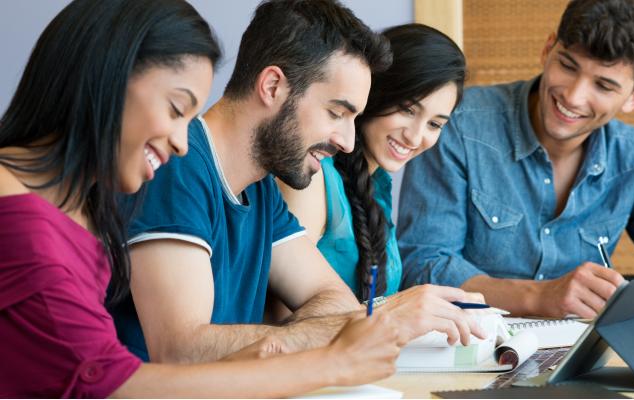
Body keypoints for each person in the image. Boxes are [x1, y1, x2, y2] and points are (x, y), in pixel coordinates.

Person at [0, 0, 401, 397]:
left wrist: (291, 346)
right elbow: (121, 381)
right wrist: (331, 358)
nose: (179, 141)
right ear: (107, 80)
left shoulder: (79, 213)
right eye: (176, 109)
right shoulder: (24, 222)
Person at [111, 0, 483, 365]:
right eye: (336, 113)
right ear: (272, 86)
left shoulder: (260, 188)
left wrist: (355, 322)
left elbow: (332, 298)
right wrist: (378, 320)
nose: (348, 142)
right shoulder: (179, 163)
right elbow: (181, 349)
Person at [398, 0, 634, 328]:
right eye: (568, 66)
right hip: (470, 348)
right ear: (548, 48)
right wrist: (540, 296)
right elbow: (423, 265)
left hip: (584, 359)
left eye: (603, 85)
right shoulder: (458, 124)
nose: (573, 96)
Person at [276, 23, 487, 334]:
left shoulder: (380, 186)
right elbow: (278, 325)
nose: (416, 137)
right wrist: (398, 311)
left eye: (434, 124)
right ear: (374, 92)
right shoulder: (313, 177)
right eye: (407, 109)